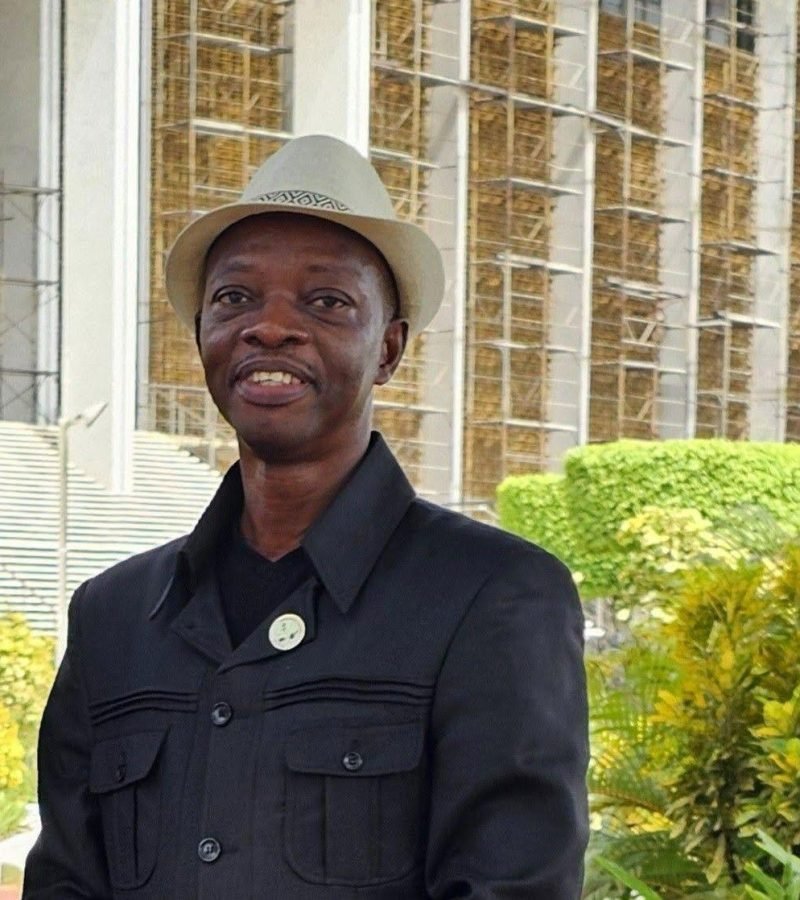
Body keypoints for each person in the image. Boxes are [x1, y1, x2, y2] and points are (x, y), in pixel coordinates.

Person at [23, 134, 589, 899]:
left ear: (388, 350)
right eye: (235, 297)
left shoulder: (495, 596)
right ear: (200, 335)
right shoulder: (112, 617)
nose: (270, 326)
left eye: (327, 302)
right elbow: (66, 881)